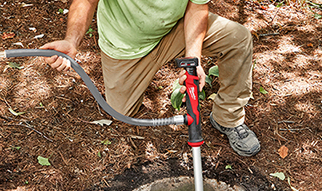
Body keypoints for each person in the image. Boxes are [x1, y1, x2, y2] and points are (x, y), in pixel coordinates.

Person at [41, 0, 260, 156]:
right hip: (126, 48)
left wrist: (193, 60)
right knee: (121, 111)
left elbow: (196, 7)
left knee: (238, 38)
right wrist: (71, 41)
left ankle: (228, 118)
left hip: (175, 28)